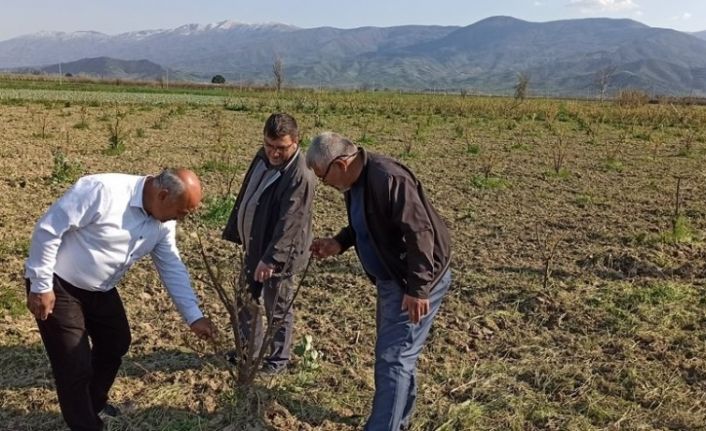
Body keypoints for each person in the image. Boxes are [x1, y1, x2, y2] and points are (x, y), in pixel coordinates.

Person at [24, 168, 216, 431]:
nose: (180, 219)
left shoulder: (162, 224)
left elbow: (171, 265)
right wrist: (40, 285)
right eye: (181, 212)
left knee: (116, 342)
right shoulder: (102, 191)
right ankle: (87, 425)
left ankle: (93, 401)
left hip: (101, 288)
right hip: (59, 284)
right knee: (73, 363)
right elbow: (49, 229)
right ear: (162, 195)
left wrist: (194, 316)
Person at [306, 132, 452, 431]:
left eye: (323, 177)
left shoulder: (388, 178)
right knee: (398, 355)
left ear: (342, 164)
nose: (325, 184)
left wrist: (418, 288)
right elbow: (367, 223)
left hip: (413, 281)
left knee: (393, 358)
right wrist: (339, 242)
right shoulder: (355, 183)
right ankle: (399, 421)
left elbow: (420, 232)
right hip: (393, 281)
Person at [222, 113, 315, 373]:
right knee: (245, 299)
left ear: (296, 142)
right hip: (255, 244)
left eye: (281, 148)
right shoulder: (263, 157)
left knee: (278, 307)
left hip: (280, 255)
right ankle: (248, 353)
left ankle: (277, 361)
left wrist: (272, 258)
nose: (274, 153)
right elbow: (248, 193)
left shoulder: (300, 174)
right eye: (269, 145)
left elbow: (291, 222)